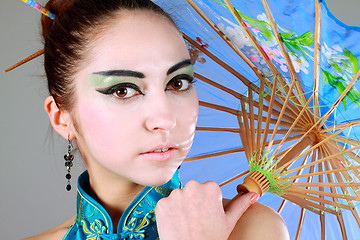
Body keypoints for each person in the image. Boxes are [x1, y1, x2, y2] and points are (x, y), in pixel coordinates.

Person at [24, 0, 289, 239]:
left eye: (177, 83)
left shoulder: (253, 229)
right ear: (62, 118)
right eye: (123, 90)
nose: (165, 119)